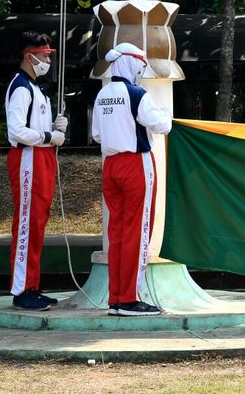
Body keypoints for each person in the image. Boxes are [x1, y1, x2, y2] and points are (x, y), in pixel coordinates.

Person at [92, 43, 172, 317]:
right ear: (130, 63)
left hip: (110, 165)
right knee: (138, 232)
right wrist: (165, 114)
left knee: (117, 232)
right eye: (139, 64)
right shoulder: (137, 93)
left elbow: (97, 136)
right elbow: (162, 126)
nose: (141, 70)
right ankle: (130, 298)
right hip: (135, 164)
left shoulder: (102, 94)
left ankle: (116, 298)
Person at [5, 31, 67, 311]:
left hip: (41, 157)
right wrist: (48, 136)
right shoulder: (21, 87)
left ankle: (32, 284)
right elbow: (17, 131)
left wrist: (56, 130)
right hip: (28, 158)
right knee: (27, 222)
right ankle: (21, 289)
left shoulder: (36, 87)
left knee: (38, 222)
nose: (47, 59)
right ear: (30, 56)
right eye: (44, 55)